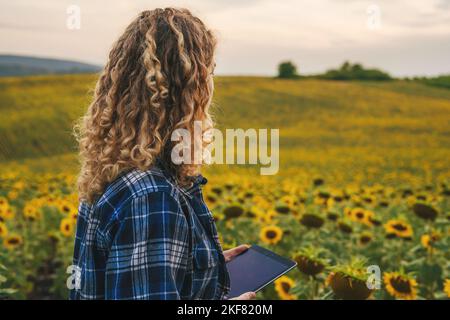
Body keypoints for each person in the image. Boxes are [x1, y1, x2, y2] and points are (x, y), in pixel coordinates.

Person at [70, 8, 255, 300]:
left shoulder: (116, 173)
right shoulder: (151, 197)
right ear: (189, 87)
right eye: (209, 71)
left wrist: (203, 265)